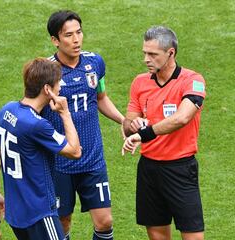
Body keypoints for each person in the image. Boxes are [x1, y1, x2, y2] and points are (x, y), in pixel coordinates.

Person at [42, 10, 125, 240]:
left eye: (79, 32)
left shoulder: (94, 63)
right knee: (62, 222)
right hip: (60, 162)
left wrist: (122, 119)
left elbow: (101, 98)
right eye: (68, 35)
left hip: (93, 159)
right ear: (55, 40)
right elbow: (32, 111)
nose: (76, 39)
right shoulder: (46, 71)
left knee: (105, 221)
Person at [122, 26, 206, 240]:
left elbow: (181, 118)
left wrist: (144, 133)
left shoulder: (193, 80)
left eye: (152, 54)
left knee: (193, 236)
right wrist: (134, 124)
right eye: (144, 53)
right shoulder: (140, 82)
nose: (146, 59)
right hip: (149, 169)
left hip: (180, 168)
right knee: (157, 235)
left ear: (171, 53)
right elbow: (128, 122)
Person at [0, 57, 82, 240]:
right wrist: (65, 113)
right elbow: (75, 151)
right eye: (57, 84)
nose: (60, 87)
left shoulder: (7, 110)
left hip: (16, 214)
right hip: (39, 212)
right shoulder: (36, 125)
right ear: (47, 89)